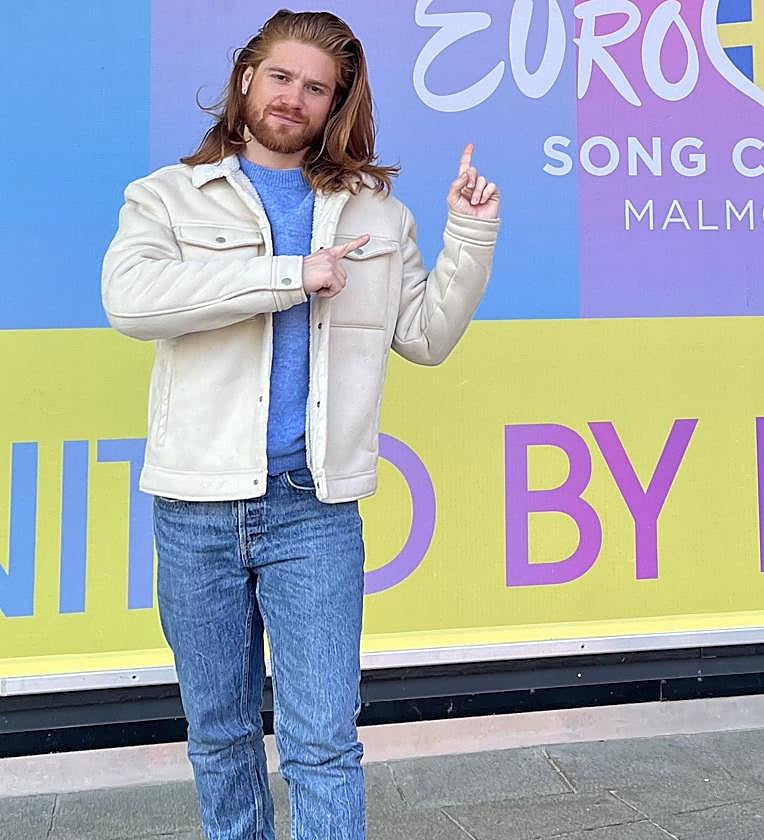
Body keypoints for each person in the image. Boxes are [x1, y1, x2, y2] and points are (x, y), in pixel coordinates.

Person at [100, 9, 499, 839]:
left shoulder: (376, 214)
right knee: (221, 738)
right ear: (246, 78)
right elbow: (130, 302)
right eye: (281, 77)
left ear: (336, 105)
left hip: (314, 509)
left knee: (322, 743)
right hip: (196, 505)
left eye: (316, 88)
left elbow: (425, 336)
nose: (294, 98)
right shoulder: (168, 196)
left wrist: (471, 231)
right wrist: (289, 275)